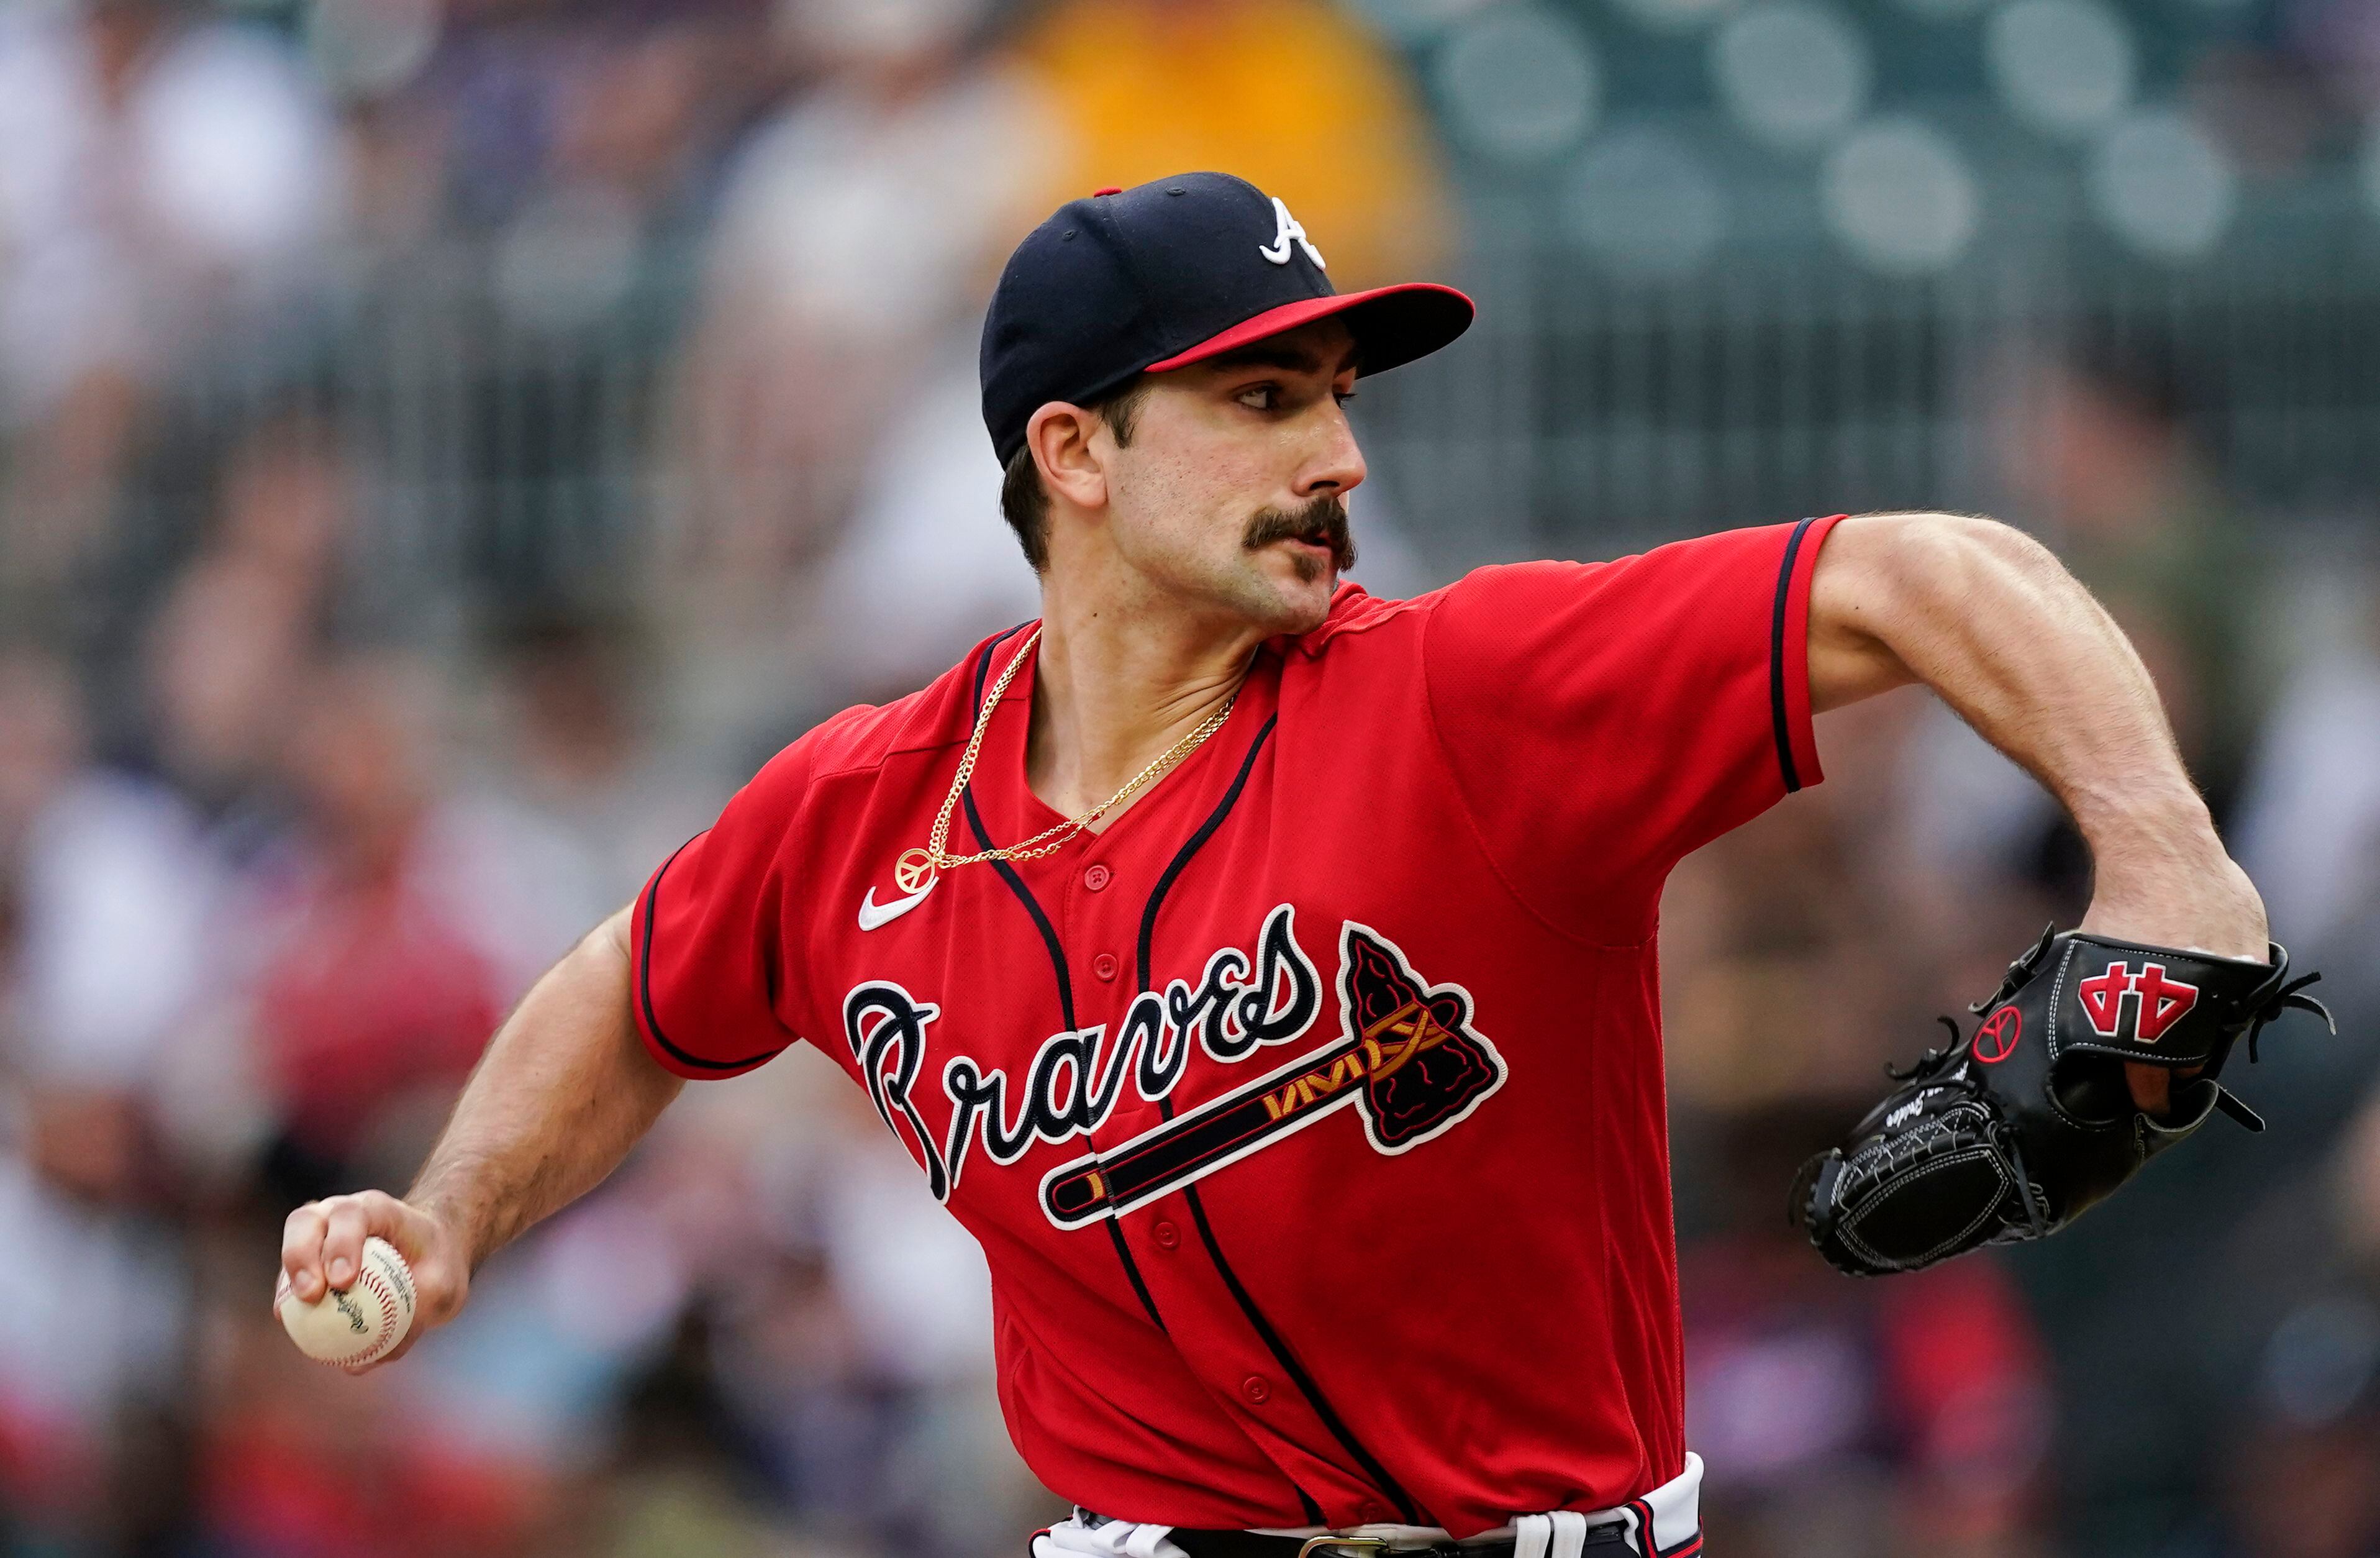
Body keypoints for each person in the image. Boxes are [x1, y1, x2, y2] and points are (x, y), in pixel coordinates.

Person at [281, 173, 2272, 1557]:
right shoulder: (860, 812)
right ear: (1074, 455)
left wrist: (2168, 860)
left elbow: (1929, 569)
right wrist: (454, 1212)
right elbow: (632, 990)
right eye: (1259, 397)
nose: (1340, 454)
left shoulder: (1472, 700)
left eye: (1336, 393)